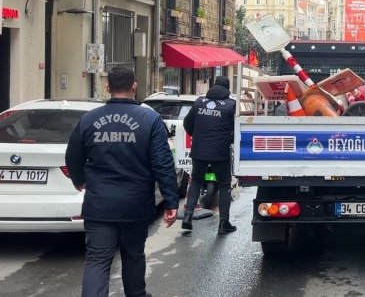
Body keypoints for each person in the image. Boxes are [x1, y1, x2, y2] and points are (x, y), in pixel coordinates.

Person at [65, 67, 179, 297]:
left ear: (107, 87)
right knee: (134, 254)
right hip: (135, 205)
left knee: (97, 259)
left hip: (99, 205)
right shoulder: (150, 119)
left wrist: (79, 180)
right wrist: (171, 201)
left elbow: (72, 155)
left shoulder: (89, 119)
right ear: (134, 86)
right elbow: (162, 162)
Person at [182, 76, 237, 234]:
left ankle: (187, 216)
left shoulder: (199, 102)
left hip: (199, 149)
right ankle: (224, 223)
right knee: (224, 186)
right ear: (227, 89)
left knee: (196, 181)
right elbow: (236, 130)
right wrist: (229, 139)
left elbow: (187, 123)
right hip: (220, 151)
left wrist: (197, 136)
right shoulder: (230, 106)